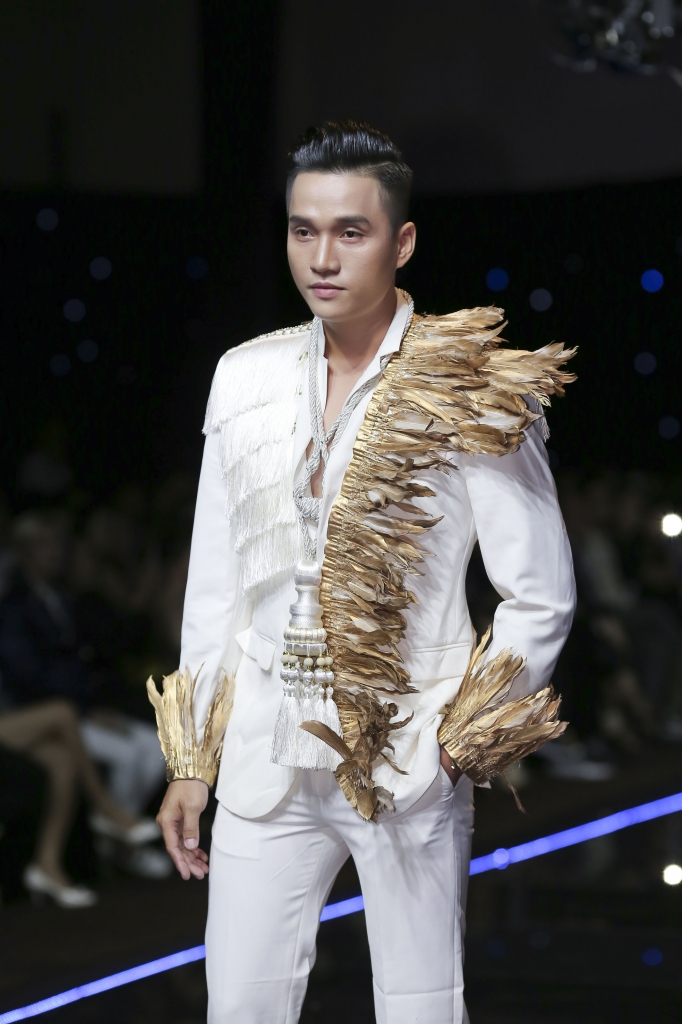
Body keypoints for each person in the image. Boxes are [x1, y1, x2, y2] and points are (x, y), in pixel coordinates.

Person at [150, 121, 576, 1024]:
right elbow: (217, 587)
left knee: (422, 1010)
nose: (322, 257)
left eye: (352, 231)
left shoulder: (466, 385)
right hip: (263, 759)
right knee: (239, 1009)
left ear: (402, 240)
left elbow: (540, 593)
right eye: (303, 230)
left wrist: (456, 747)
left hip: (409, 757)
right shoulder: (244, 376)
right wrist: (193, 759)